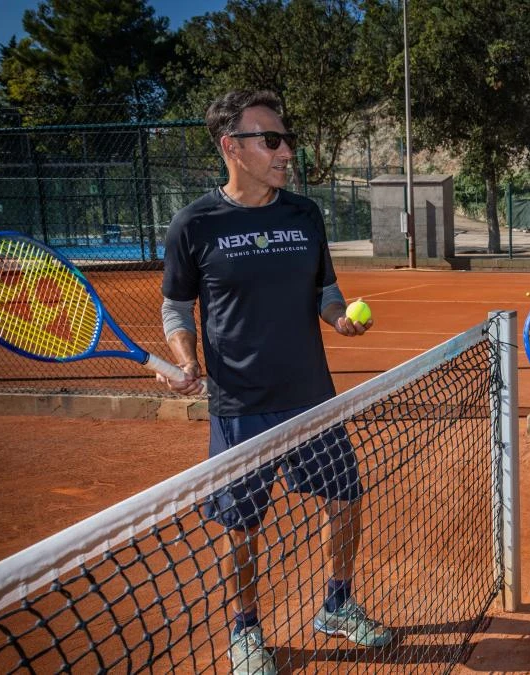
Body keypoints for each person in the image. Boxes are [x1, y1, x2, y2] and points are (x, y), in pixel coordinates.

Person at [158, 90, 390, 675]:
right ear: (231, 146)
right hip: (240, 406)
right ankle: (245, 631)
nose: (286, 150)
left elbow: (325, 287)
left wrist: (337, 317)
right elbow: (176, 310)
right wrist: (186, 359)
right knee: (241, 524)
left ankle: (337, 604)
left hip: (311, 397)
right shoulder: (194, 225)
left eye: (286, 138)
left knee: (346, 497)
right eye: (272, 140)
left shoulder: (303, 215)